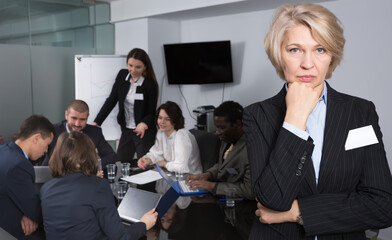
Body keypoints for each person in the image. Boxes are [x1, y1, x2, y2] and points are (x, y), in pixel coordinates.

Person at [243, 3, 392, 240]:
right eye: (295, 50)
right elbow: (272, 199)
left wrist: (296, 212)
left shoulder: (360, 112)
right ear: (278, 54)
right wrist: (295, 118)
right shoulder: (257, 115)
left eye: (320, 49)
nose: (308, 63)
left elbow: (383, 205)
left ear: (332, 54)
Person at [40, 131, 157, 240]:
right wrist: (144, 224)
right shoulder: (98, 186)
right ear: (89, 155)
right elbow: (120, 237)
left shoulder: (46, 189)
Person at [93, 48, 159, 165]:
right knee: (120, 163)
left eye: (138, 67)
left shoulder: (150, 84)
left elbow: (151, 112)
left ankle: (144, 184)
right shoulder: (122, 75)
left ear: (145, 67)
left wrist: (143, 123)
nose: (133, 70)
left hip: (143, 132)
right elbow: (111, 100)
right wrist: (97, 122)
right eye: (130, 65)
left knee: (143, 166)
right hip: (127, 129)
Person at [0, 115, 54, 239]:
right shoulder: (19, 165)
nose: (46, 151)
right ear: (36, 138)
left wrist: (24, 214)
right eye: (47, 145)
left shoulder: (3, 150)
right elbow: (35, 211)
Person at [186, 101, 253, 200]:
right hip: (221, 200)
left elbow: (248, 191)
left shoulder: (252, 149)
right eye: (216, 127)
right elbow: (222, 165)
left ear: (238, 124)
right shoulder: (227, 138)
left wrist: (212, 186)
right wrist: (207, 175)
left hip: (241, 207)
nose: (217, 133)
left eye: (222, 128)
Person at [42, 100, 116, 174]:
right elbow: (44, 162)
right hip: (59, 177)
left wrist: (90, 168)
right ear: (66, 115)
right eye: (74, 118)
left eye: (82, 119)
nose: (77, 124)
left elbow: (111, 156)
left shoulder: (95, 132)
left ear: (87, 117)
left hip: (87, 178)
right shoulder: (52, 131)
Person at [138, 101, 202, 174]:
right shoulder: (161, 133)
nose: (162, 122)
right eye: (160, 118)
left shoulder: (182, 135)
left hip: (189, 178)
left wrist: (165, 164)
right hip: (171, 175)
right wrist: (147, 159)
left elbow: (181, 167)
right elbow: (156, 153)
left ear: (175, 120)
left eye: (167, 119)